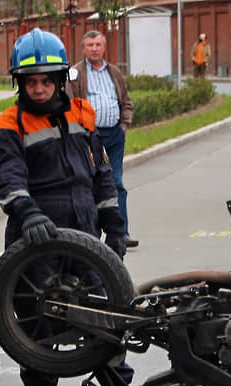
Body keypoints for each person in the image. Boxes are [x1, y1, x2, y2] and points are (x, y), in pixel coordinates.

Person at [0, 28, 130, 386]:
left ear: (59, 80)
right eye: (30, 82)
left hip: (84, 234)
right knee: (38, 323)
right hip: (35, 239)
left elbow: (102, 174)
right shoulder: (8, 125)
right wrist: (28, 213)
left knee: (107, 313)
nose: (38, 89)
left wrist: (114, 223)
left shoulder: (83, 113)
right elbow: (8, 178)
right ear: (20, 83)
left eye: (45, 81)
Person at [67, 30, 138, 249]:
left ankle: (121, 232)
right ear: (83, 48)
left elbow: (126, 100)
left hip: (115, 135)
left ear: (104, 47)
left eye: (98, 44)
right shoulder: (76, 73)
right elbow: (70, 102)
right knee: (89, 182)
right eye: (90, 45)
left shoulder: (114, 72)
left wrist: (124, 125)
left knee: (116, 182)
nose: (94, 48)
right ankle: (92, 232)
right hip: (89, 137)